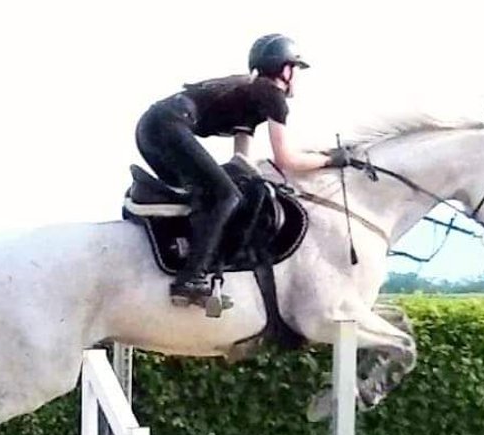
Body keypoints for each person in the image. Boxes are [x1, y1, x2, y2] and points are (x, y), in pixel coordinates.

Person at [134, 34, 356, 310]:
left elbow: (242, 162)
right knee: (227, 196)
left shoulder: (253, 97)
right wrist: (332, 159)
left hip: (151, 129)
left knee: (217, 192)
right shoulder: (272, 96)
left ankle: (184, 254)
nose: (298, 77)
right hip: (167, 126)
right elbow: (286, 158)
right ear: (283, 69)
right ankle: (190, 279)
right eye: (296, 69)